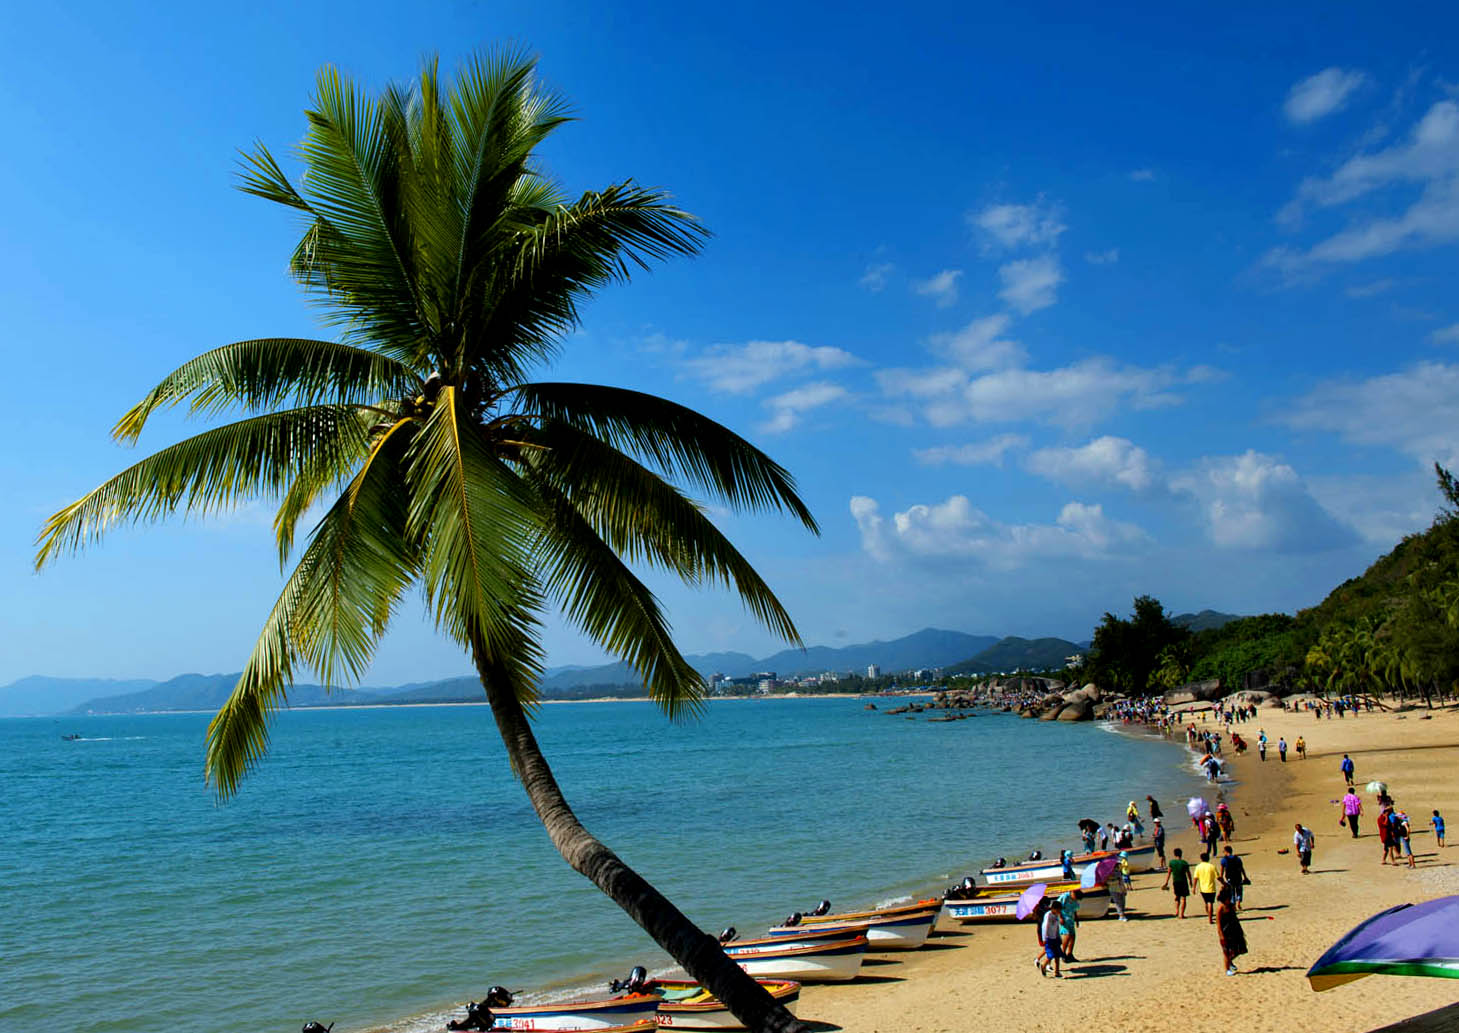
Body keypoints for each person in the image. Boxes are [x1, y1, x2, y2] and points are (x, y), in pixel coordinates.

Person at [1215, 885, 1247, 976]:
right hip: (1225, 933)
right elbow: (1218, 924)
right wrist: (1221, 935)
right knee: (1226, 953)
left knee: (1238, 950)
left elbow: (1235, 918)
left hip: (1234, 931)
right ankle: (1227, 969)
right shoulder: (1220, 909)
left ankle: (1230, 961)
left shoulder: (1231, 906)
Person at [1192, 851, 1220, 923]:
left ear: (1201, 858)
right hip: (1211, 888)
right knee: (1210, 903)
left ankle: (1209, 915)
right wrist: (1224, 883)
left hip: (1203, 889)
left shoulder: (1198, 867)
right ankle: (1210, 918)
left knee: (1206, 902)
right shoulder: (1212, 866)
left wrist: (1194, 888)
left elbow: (1195, 878)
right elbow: (1218, 877)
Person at [1163, 847, 1192, 918]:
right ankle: (1182, 914)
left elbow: (1169, 873)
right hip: (1183, 882)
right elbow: (1188, 873)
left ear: (1174, 854)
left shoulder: (1172, 862)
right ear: (1181, 854)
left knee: (1177, 897)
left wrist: (1166, 882)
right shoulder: (1184, 863)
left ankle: (1177, 911)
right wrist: (1190, 881)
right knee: (1184, 898)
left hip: (1176, 882)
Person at [1038, 899, 1064, 978]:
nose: (1059, 911)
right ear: (1053, 909)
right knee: (1051, 954)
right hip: (1048, 938)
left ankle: (1057, 972)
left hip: (1055, 937)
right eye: (1058, 910)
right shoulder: (1048, 915)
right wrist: (1044, 938)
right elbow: (1044, 927)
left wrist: (1058, 936)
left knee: (1057, 955)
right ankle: (1043, 965)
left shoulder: (1056, 915)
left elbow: (1057, 927)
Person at [1219, 845, 1247, 910]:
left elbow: (1222, 869)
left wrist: (1221, 877)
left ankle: (1233, 905)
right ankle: (1239, 902)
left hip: (1230, 878)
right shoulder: (1238, 858)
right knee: (1239, 891)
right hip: (1238, 877)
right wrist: (1245, 876)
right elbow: (1241, 868)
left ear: (1226, 851)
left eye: (1224, 851)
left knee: (1232, 892)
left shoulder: (1224, 860)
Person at [1057, 889, 1082, 963]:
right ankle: (1063, 953)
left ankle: (1070, 954)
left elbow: (1075, 909)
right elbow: (1057, 906)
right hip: (1064, 919)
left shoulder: (1074, 900)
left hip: (1071, 919)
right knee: (1067, 935)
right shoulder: (1065, 896)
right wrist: (1060, 917)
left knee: (1073, 936)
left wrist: (1077, 919)